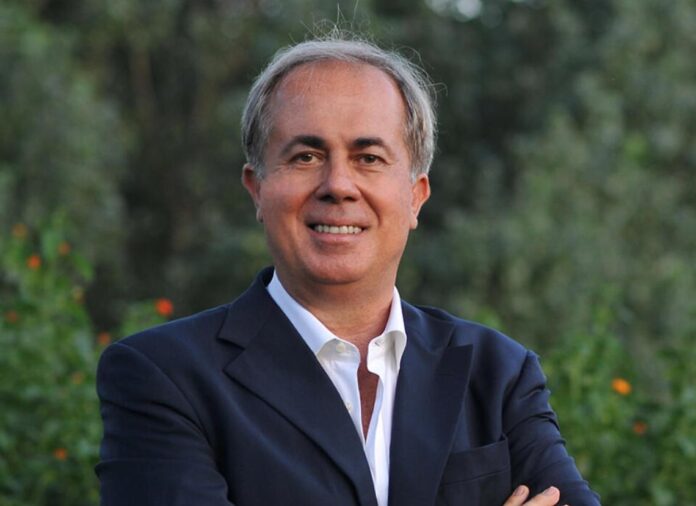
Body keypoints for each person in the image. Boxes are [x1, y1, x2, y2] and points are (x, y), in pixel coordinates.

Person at [96, 33, 600, 506]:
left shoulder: (498, 373)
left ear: (416, 196)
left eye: (369, 158)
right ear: (257, 190)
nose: (338, 185)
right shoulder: (163, 377)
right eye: (306, 156)